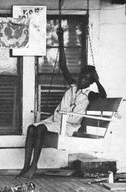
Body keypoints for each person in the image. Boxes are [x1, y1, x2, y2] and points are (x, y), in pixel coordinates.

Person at [18, 27, 107, 179]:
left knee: (39, 130)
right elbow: (63, 67)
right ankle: (26, 166)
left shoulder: (90, 95)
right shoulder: (72, 85)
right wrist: (60, 39)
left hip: (69, 125)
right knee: (32, 128)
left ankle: (34, 167)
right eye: (81, 77)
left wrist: (97, 80)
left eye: (86, 79)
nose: (82, 80)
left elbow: (104, 97)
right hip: (56, 120)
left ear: (90, 81)